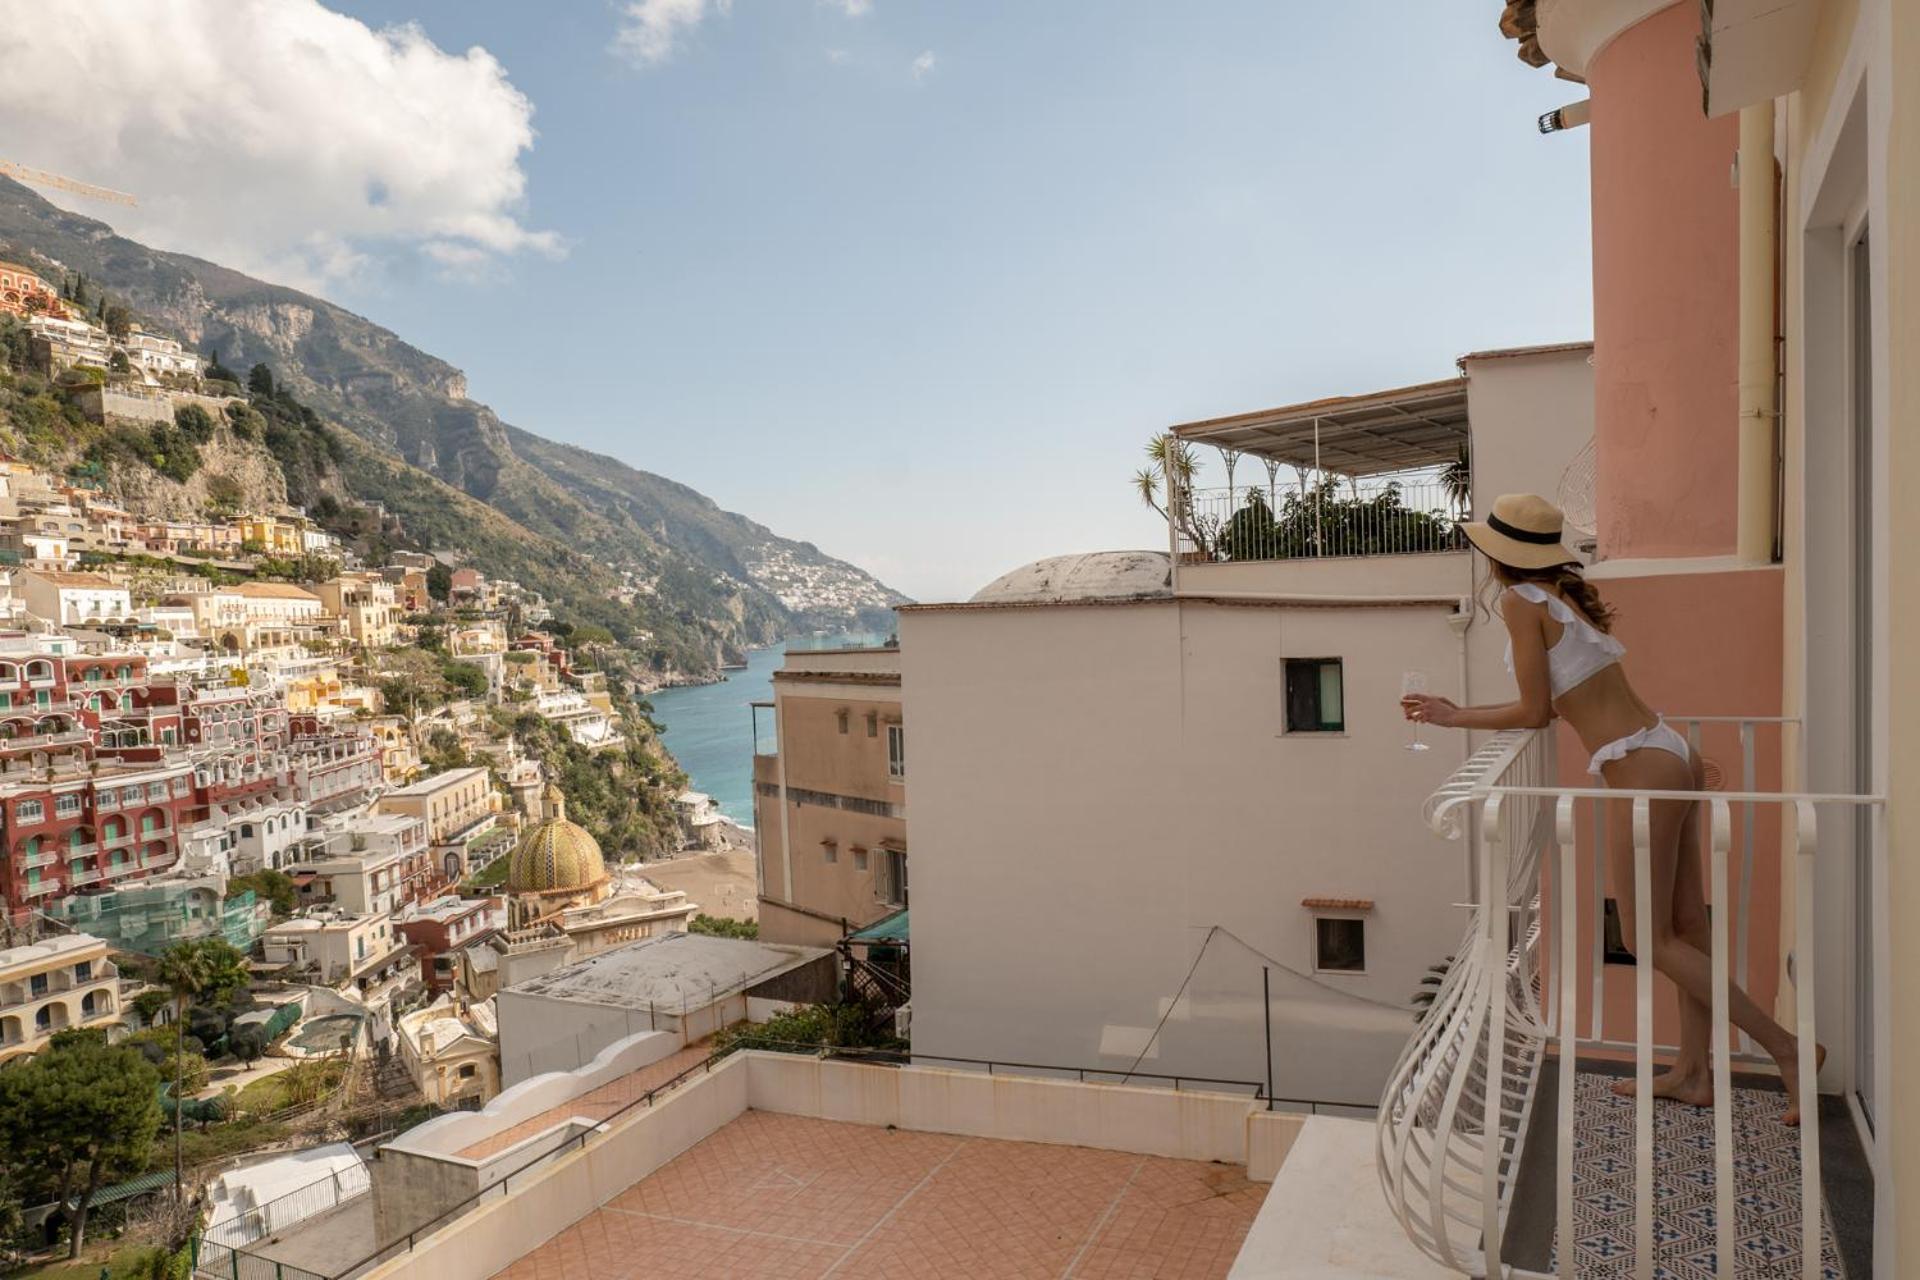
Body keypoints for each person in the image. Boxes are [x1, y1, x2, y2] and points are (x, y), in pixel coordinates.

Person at [1399, 493, 1820, 1124]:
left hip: (1640, 768)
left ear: (1497, 556)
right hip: (1668, 748)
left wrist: (1454, 715)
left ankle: (1787, 1049)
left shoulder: (1520, 603)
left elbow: (1536, 711)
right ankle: (1694, 1073)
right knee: (1687, 929)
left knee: (1645, 937)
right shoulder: (1564, 599)